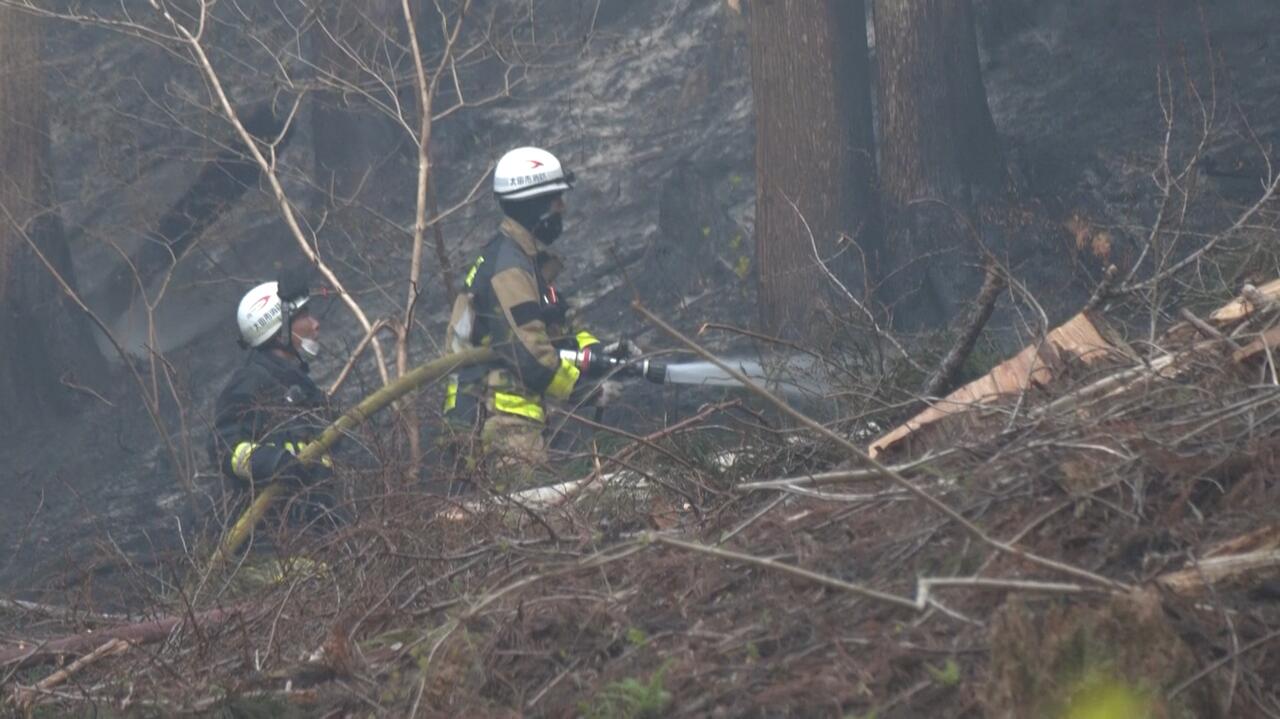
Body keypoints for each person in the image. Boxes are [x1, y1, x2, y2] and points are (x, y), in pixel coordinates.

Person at [441, 146, 634, 490]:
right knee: (525, 522)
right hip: (500, 425)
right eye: (556, 199)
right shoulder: (509, 270)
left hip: (517, 420)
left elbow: (558, 330)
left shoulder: (524, 263)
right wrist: (585, 391)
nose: (562, 208)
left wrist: (602, 355)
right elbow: (530, 357)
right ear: (534, 208)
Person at [209, 268, 342, 542]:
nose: (315, 324)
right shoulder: (249, 385)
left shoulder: (302, 388)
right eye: (304, 316)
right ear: (279, 328)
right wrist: (274, 463)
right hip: (273, 544)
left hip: (318, 533)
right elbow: (223, 446)